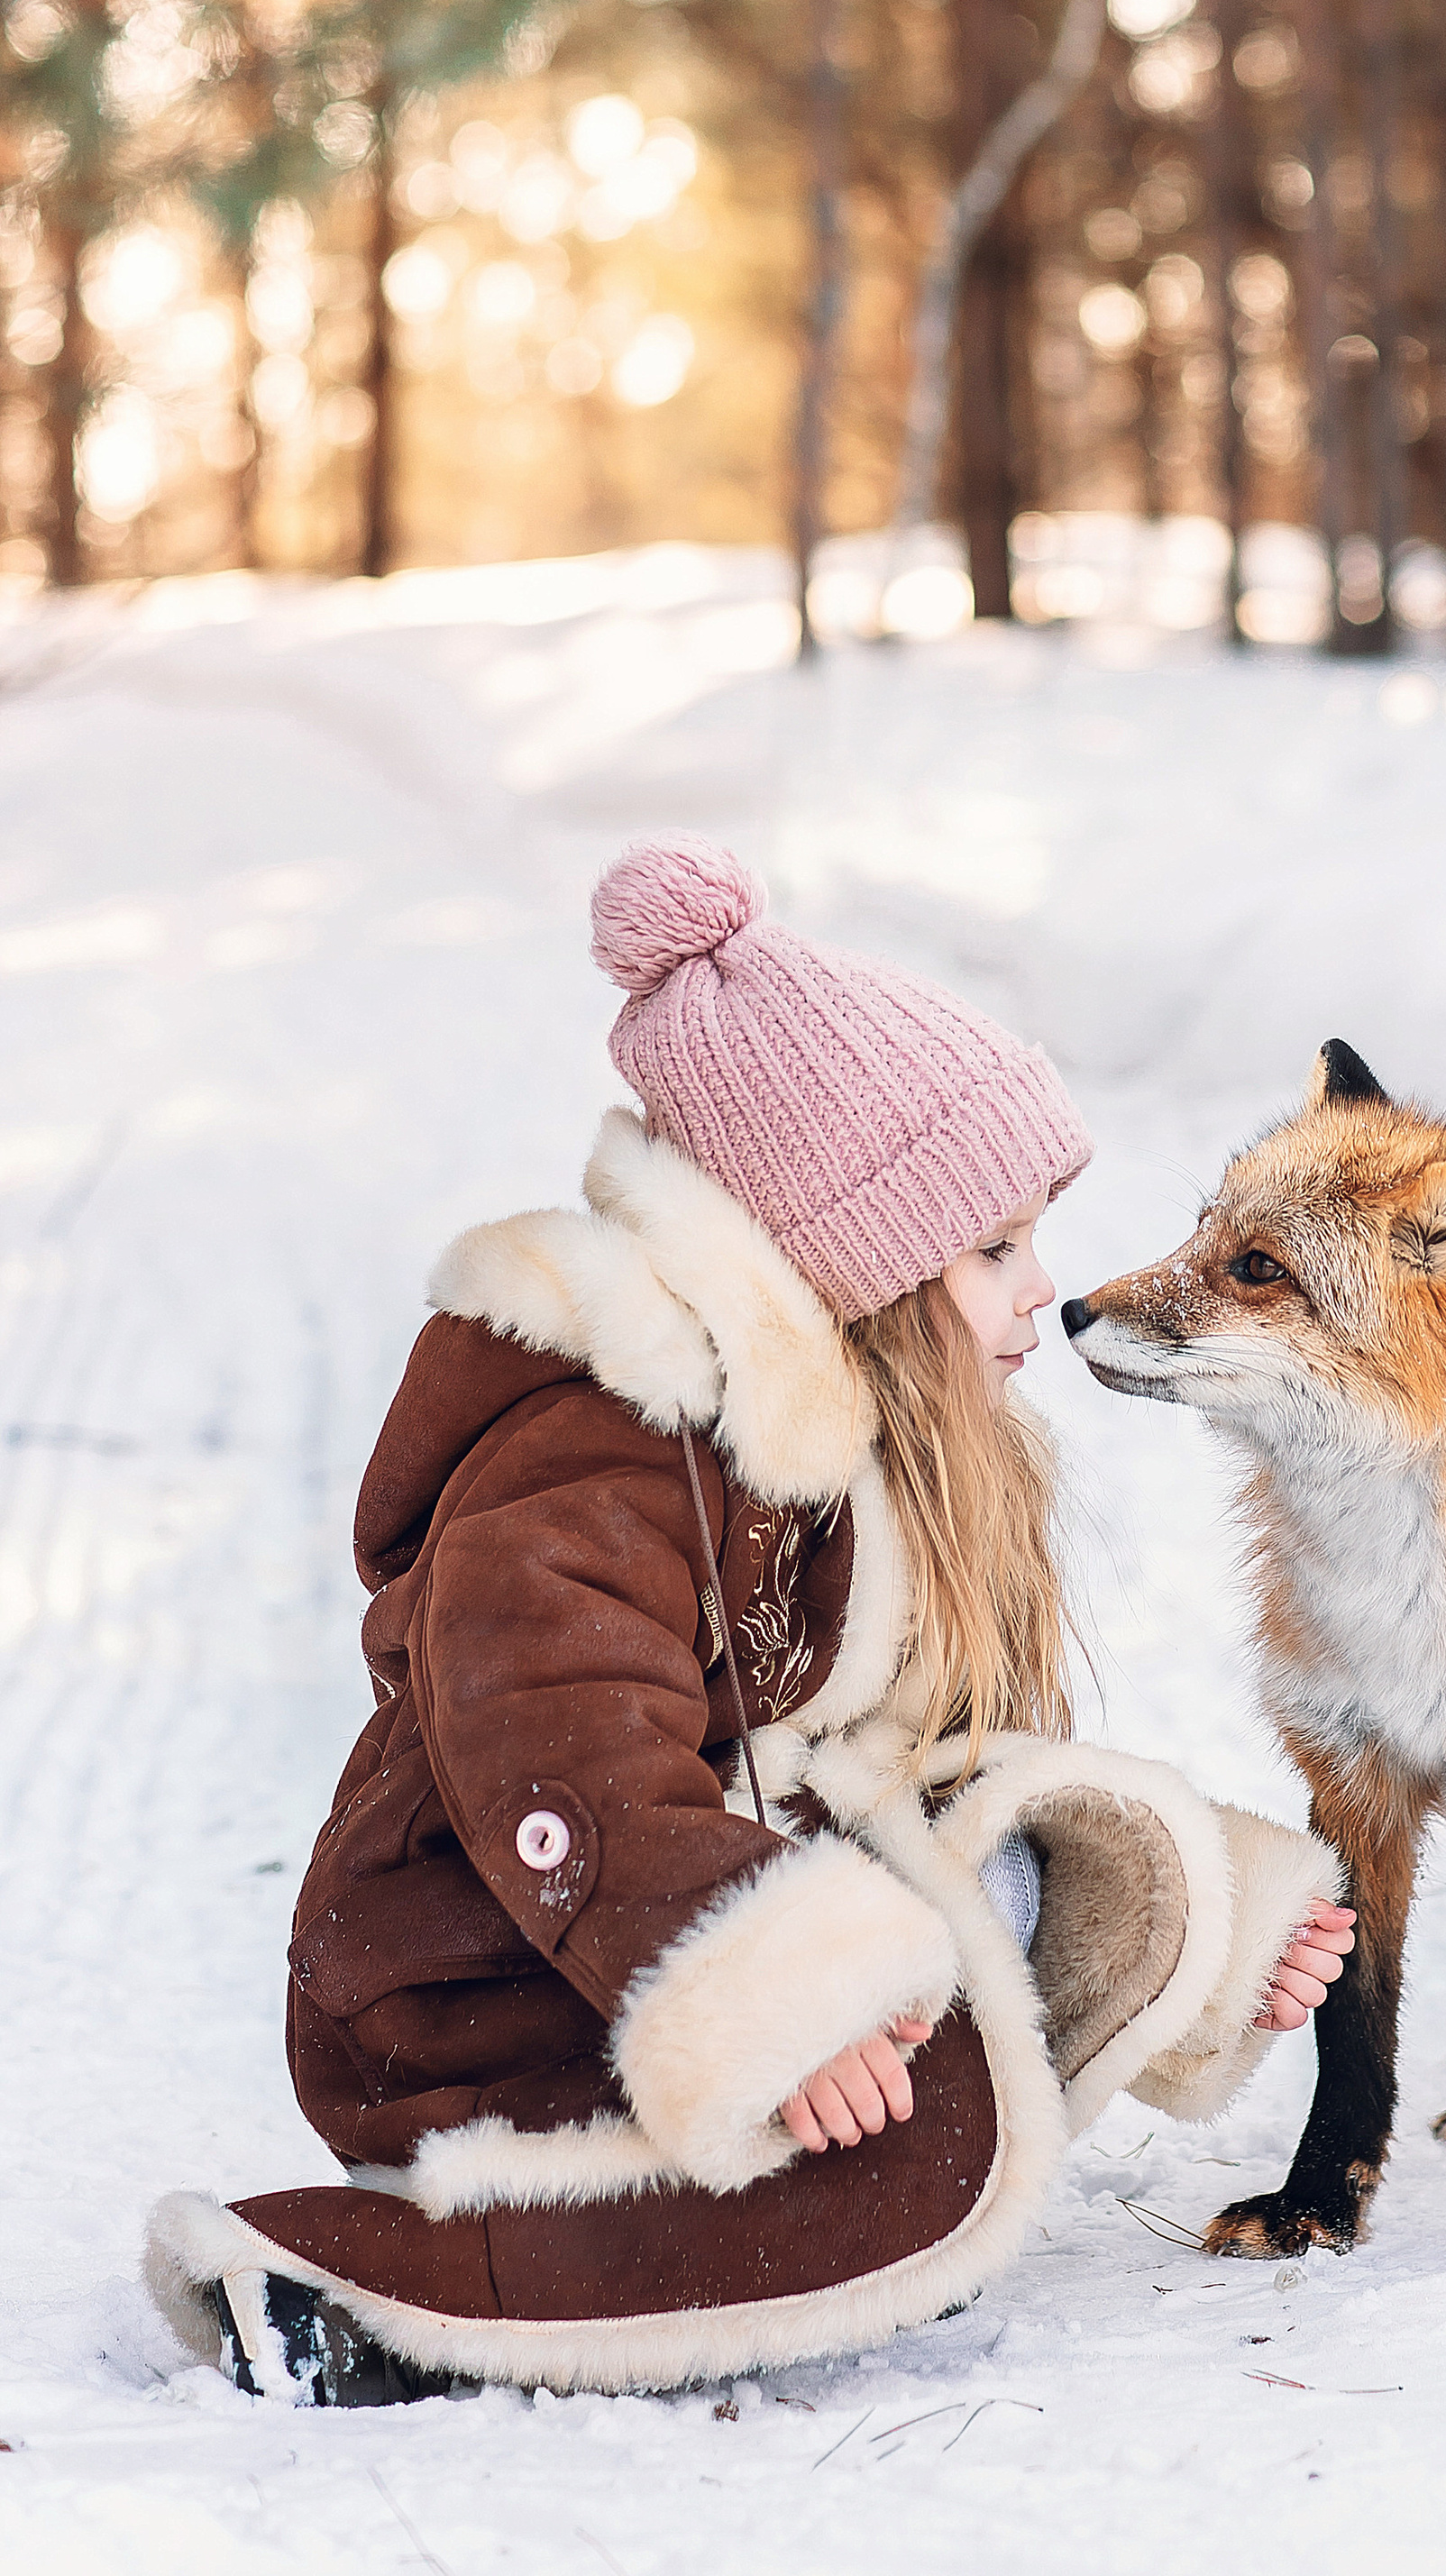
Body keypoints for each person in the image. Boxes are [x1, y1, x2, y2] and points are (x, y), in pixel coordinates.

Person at [147, 838, 1351, 2402]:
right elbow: (565, 1748)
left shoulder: (839, 1455)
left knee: (1080, 1885)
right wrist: (784, 1997)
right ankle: (357, 2288)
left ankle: (829, 2156)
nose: (1035, 1293)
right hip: (471, 1983)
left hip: (634, 1949)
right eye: (992, 1250)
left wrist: (1189, 1944)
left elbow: (902, 1765)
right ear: (848, 1263)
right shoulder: (601, 1439)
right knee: (913, 2172)